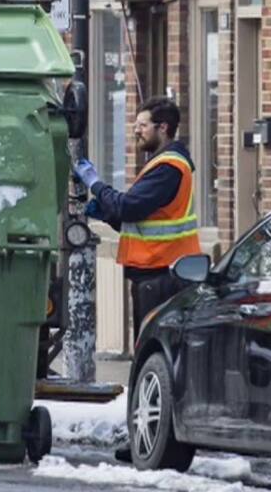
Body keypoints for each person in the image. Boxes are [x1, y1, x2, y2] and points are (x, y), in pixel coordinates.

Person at [73, 96, 200, 463]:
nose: (136, 130)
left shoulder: (169, 167)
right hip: (157, 273)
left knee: (152, 362)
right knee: (152, 363)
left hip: (160, 276)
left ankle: (150, 441)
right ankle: (147, 437)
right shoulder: (163, 164)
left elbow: (129, 206)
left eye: (143, 125)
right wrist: (108, 212)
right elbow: (138, 218)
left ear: (163, 128)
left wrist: (96, 185)